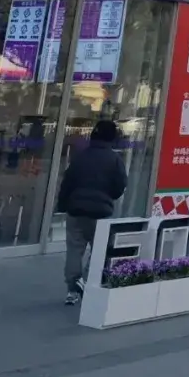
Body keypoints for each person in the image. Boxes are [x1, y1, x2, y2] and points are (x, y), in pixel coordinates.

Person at [56, 119, 127, 305]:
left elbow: (67, 183)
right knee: (100, 250)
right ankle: (87, 281)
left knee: (74, 250)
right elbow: (120, 185)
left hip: (76, 210)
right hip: (101, 213)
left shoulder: (80, 157)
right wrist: (108, 197)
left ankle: (72, 289)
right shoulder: (114, 159)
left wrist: (63, 205)